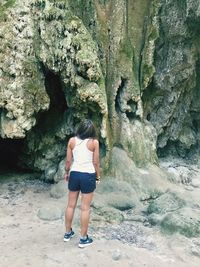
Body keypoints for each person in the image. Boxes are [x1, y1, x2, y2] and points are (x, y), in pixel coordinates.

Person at [63, 119, 100, 248]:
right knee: (85, 208)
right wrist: (98, 176)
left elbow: (68, 161)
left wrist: (66, 172)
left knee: (70, 205)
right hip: (87, 175)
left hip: (74, 174)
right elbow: (96, 163)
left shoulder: (72, 141)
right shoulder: (94, 142)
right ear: (92, 131)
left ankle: (67, 233)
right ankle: (83, 239)